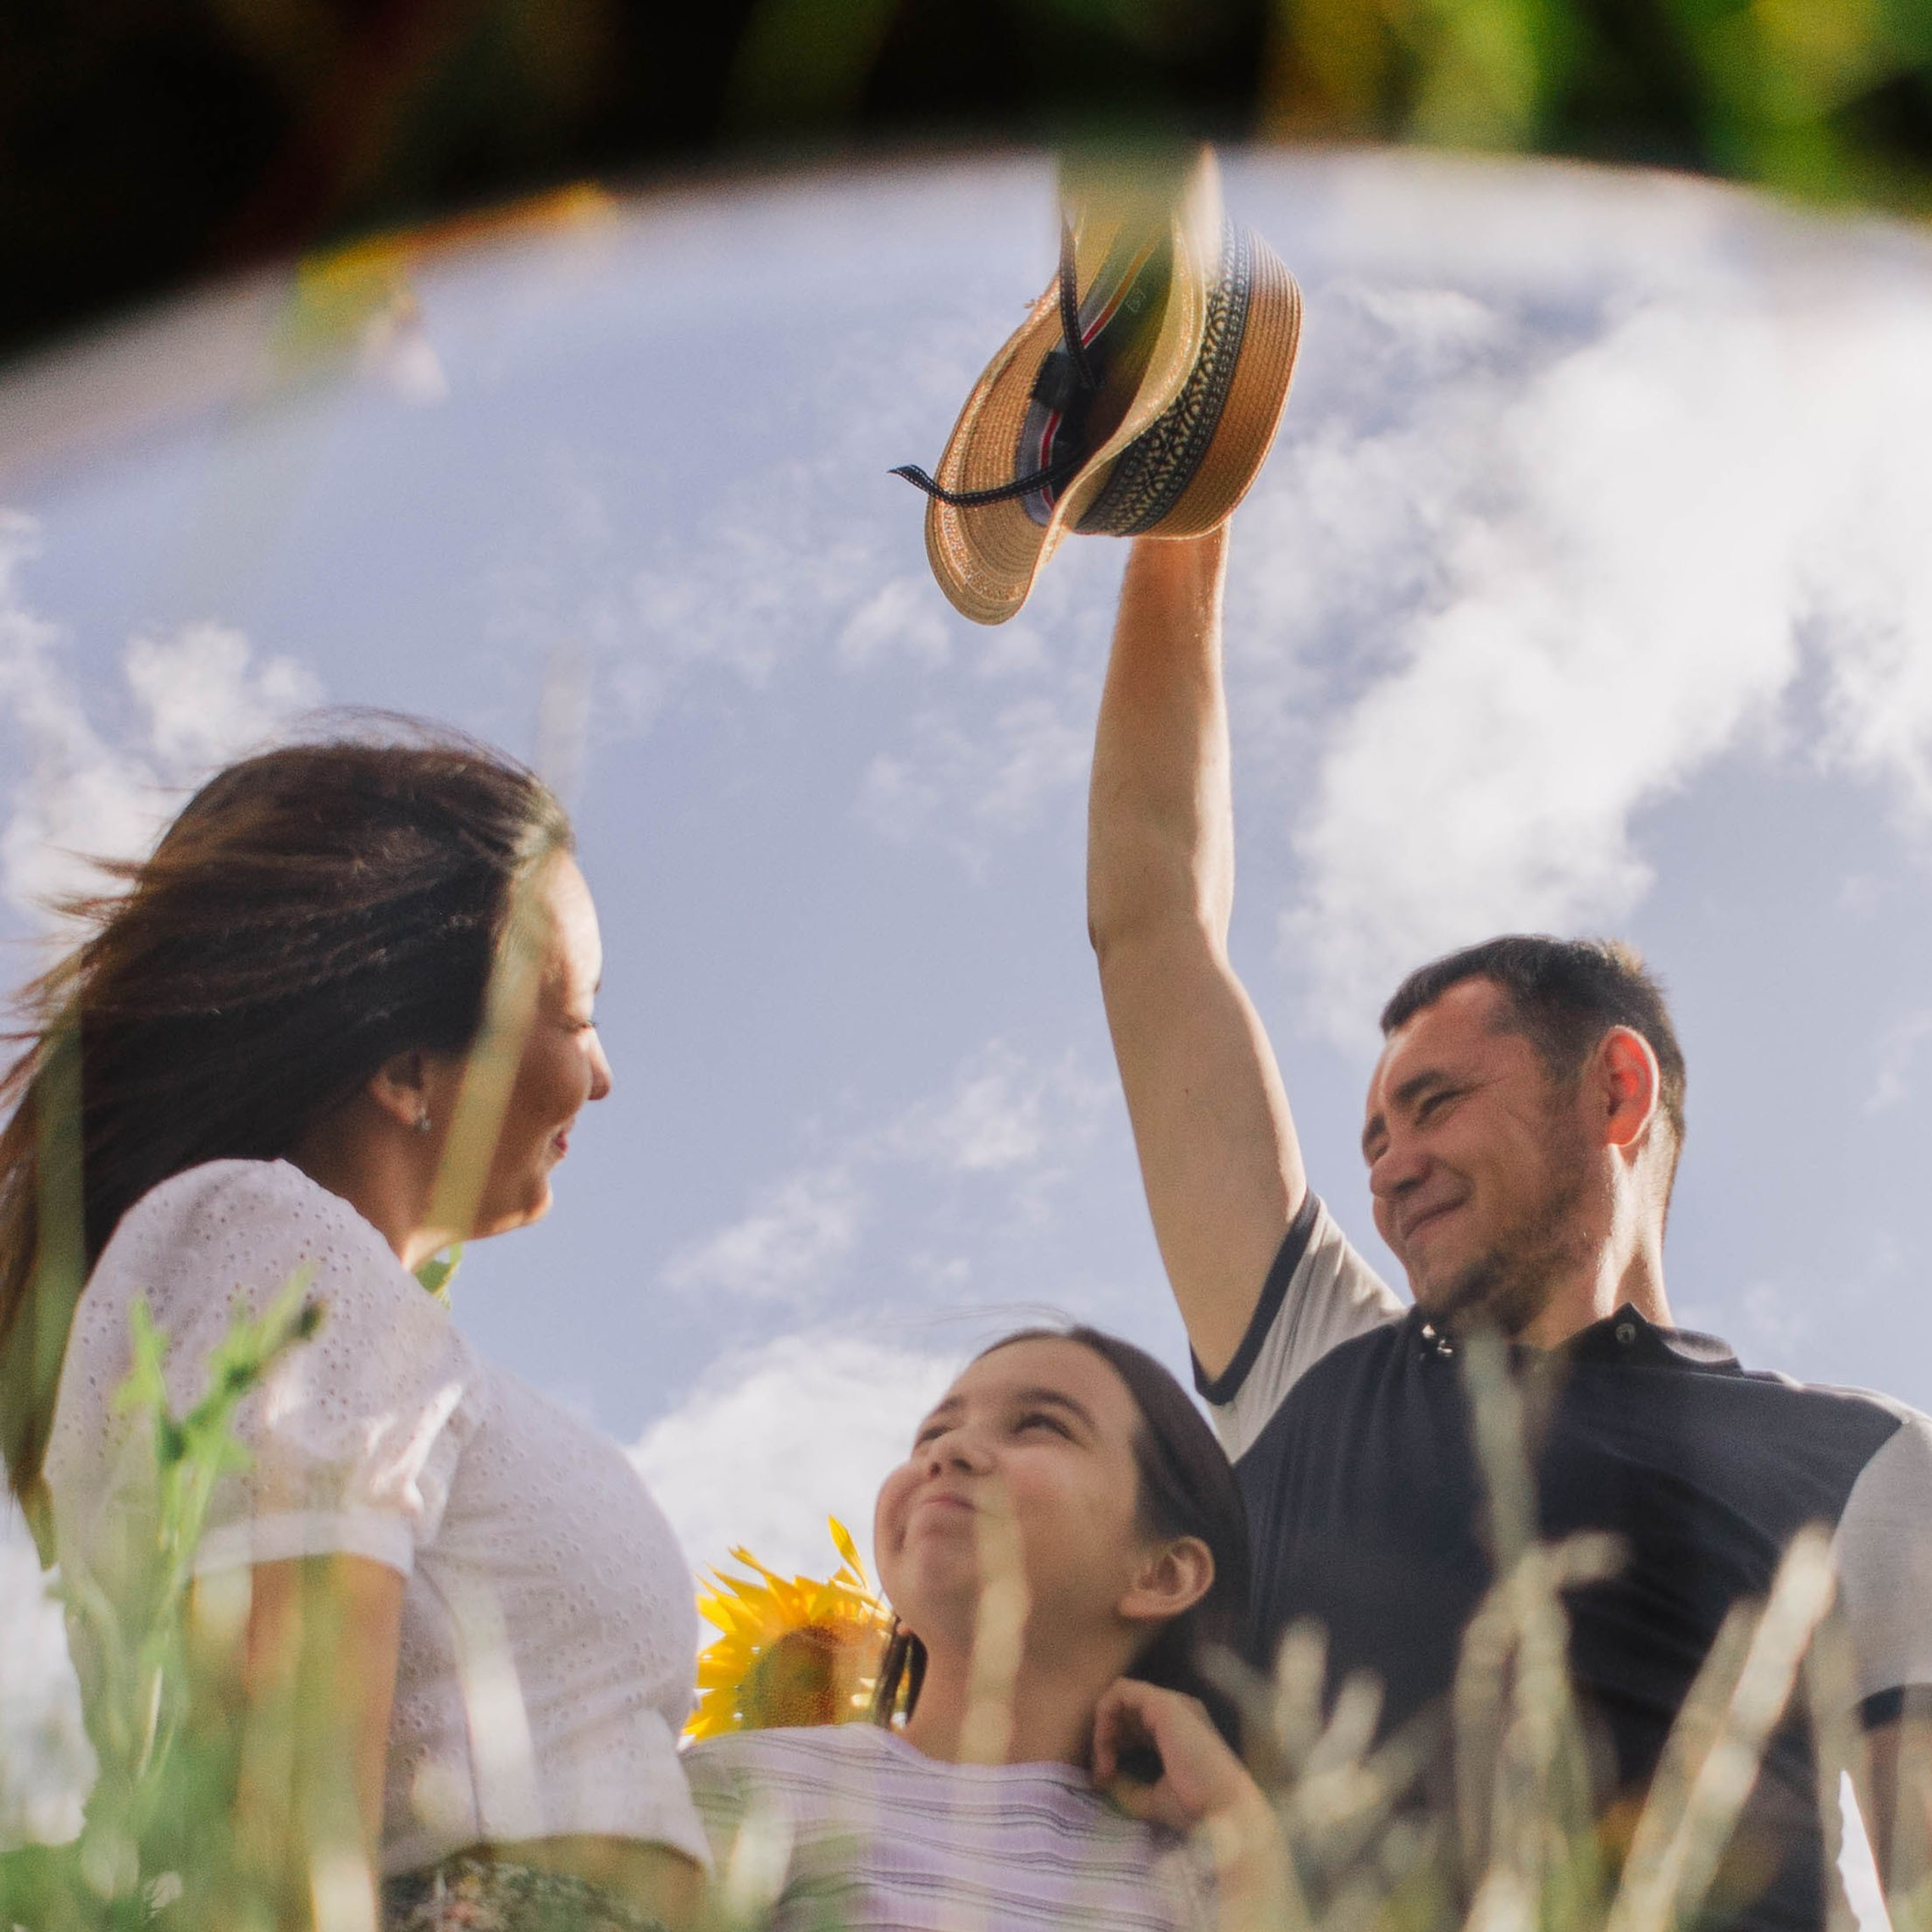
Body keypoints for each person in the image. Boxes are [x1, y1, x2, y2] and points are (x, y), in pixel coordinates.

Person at [1084, 525, 1932, 1931]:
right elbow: (1153, 921)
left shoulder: (1869, 1462)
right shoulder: (1316, 1362)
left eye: (1436, 1106)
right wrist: (1186, 511)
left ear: (1612, 1090)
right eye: (1371, 1138)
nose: (1390, 1167)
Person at [7, 734, 706, 1931]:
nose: (601, 1077)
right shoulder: (277, 1244)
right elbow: (283, 1828)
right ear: (406, 1062)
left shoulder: (308, 1283)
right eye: (577, 1015)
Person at [683, 1325, 1289, 1932]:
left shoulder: (1207, 1884)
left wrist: (1238, 1824)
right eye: (933, 1433)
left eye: (1040, 1425)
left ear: (1162, 1574)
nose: (948, 1452)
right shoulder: (740, 1788)